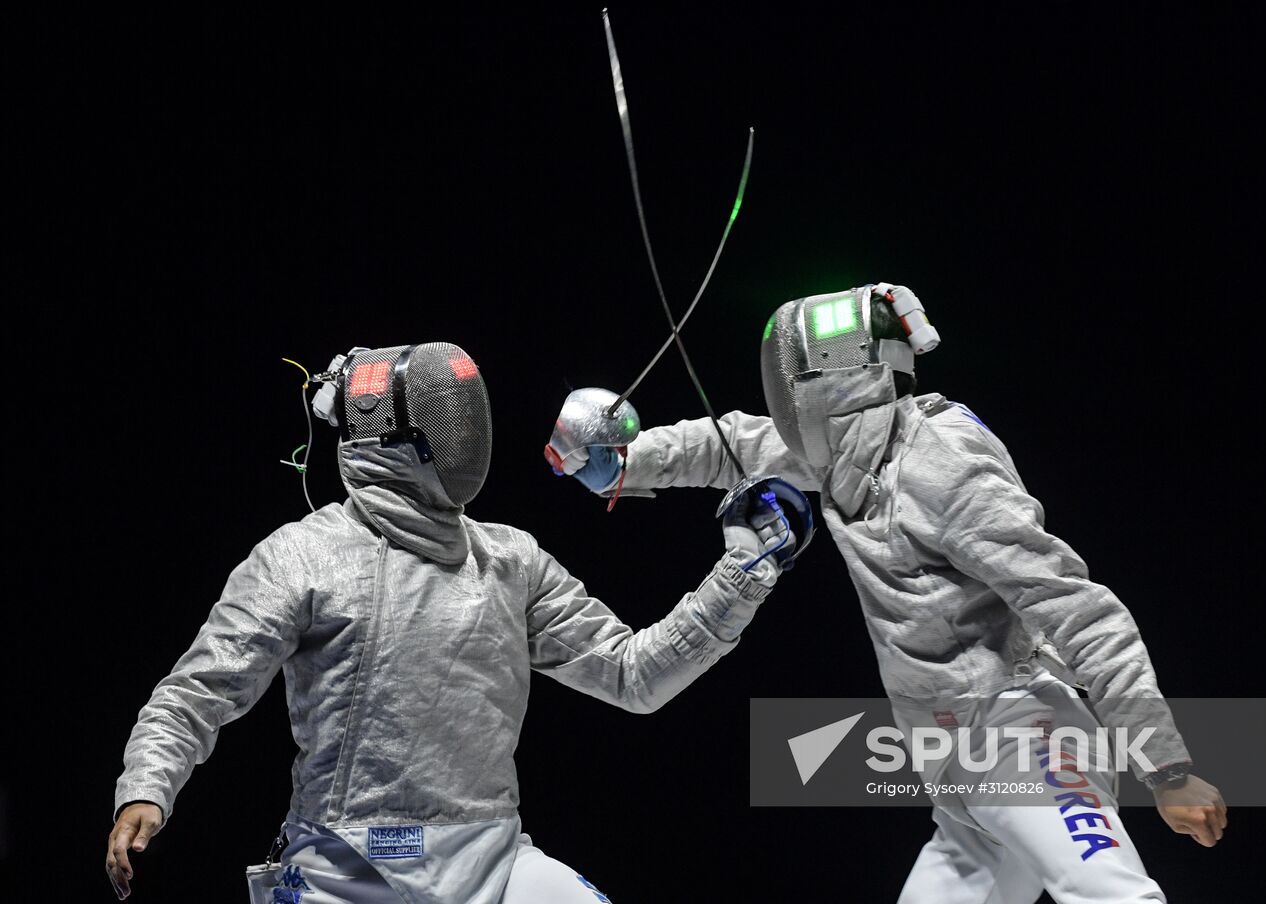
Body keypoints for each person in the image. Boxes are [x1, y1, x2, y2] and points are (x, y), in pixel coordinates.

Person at [554, 285, 1227, 903]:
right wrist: (616, 462)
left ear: (828, 383)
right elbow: (729, 443)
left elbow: (1078, 608)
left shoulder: (941, 461)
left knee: (1117, 896)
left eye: (792, 377)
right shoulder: (844, 454)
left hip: (1027, 739)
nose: (782, 398)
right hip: (960, 776)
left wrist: (1165, 769)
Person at [107, 341, 790, 904]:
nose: (467, 435)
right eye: (448, 419)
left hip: (490, 863)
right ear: (399, 438)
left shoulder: (510, 561)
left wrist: (743, 572)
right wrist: (146, 788)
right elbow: (197, 692)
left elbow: (631, 674)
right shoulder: (302, 556)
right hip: (344, 870)